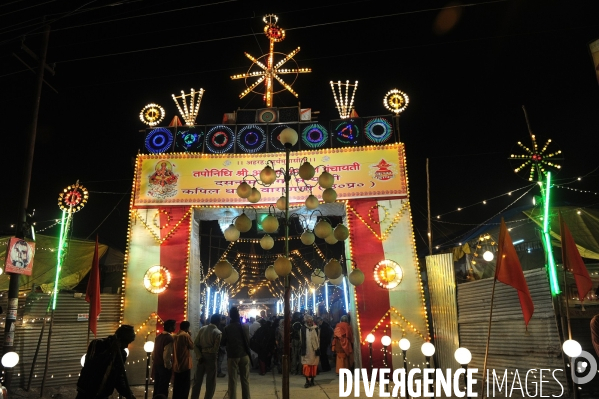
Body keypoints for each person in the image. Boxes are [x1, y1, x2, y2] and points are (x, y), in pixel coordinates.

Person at [76, 325, 137, 399]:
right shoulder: (97, 344)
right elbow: (91, 365)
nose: (126, 346)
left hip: (103, 395)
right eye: (125, 342)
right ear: (118, 339)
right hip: (86, 392)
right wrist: (110, 351)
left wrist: (128, 394)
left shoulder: (122, 354)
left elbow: (118, 377)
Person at [221, 306, 251, 399]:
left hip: (233, 356)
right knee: (245, 379)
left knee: (232, 381)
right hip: (244, 355)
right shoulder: (245, 326)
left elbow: (223, 342)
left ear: (230, 316)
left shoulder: (227, 328)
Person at [191, 314, 222, 399]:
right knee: (210, 382)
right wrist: (207, 351)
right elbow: (215, 349)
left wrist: (199, 355)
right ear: (218, 321)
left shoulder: (202, 329)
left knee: (197, 381)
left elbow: (195, 344)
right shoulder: (218, 333)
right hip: (211, 358)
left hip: (201, 358)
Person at [152, 319, 176, 398]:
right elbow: (167, 355)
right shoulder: (169, 338)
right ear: (170, 327)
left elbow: (154, 352)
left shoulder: (158, 337)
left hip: (157, 364)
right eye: (173, 326)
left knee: (157, 385)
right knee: (163, 387)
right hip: (164, 366)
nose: (175, 328)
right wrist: (168, 366)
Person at [171, 320, 194, 399]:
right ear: (187, 327)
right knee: (185, 385)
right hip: (185, 363)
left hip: (176, 364)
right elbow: (192, 346)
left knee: (177, 384)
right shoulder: (185, 335)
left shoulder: (176, 335)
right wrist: (189, 335)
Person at [300, 315, 320, 388]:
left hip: (314, 350)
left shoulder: (316, 329)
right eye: (308, 321)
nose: (309, 323)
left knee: (313, 366)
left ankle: (312, 380)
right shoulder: (303, 329)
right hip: (306, 350)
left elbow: (318, 339)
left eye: (310, 321)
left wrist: (317, 348)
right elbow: (301, 340)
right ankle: (307, 381)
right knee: (306, 366)